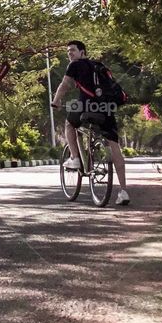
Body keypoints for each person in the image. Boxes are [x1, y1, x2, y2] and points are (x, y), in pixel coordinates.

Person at [50, 40, 130, 206]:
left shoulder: (75, 65)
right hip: (107, 108)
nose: (70, 53)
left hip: (86, 106)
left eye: (73, 50)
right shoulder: (99, 66)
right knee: (114, 145)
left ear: (82, 52)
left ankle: (75, 157)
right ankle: (123, 192)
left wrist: (56, 101)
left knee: (69, 124)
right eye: (68, 51)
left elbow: (64, 85)